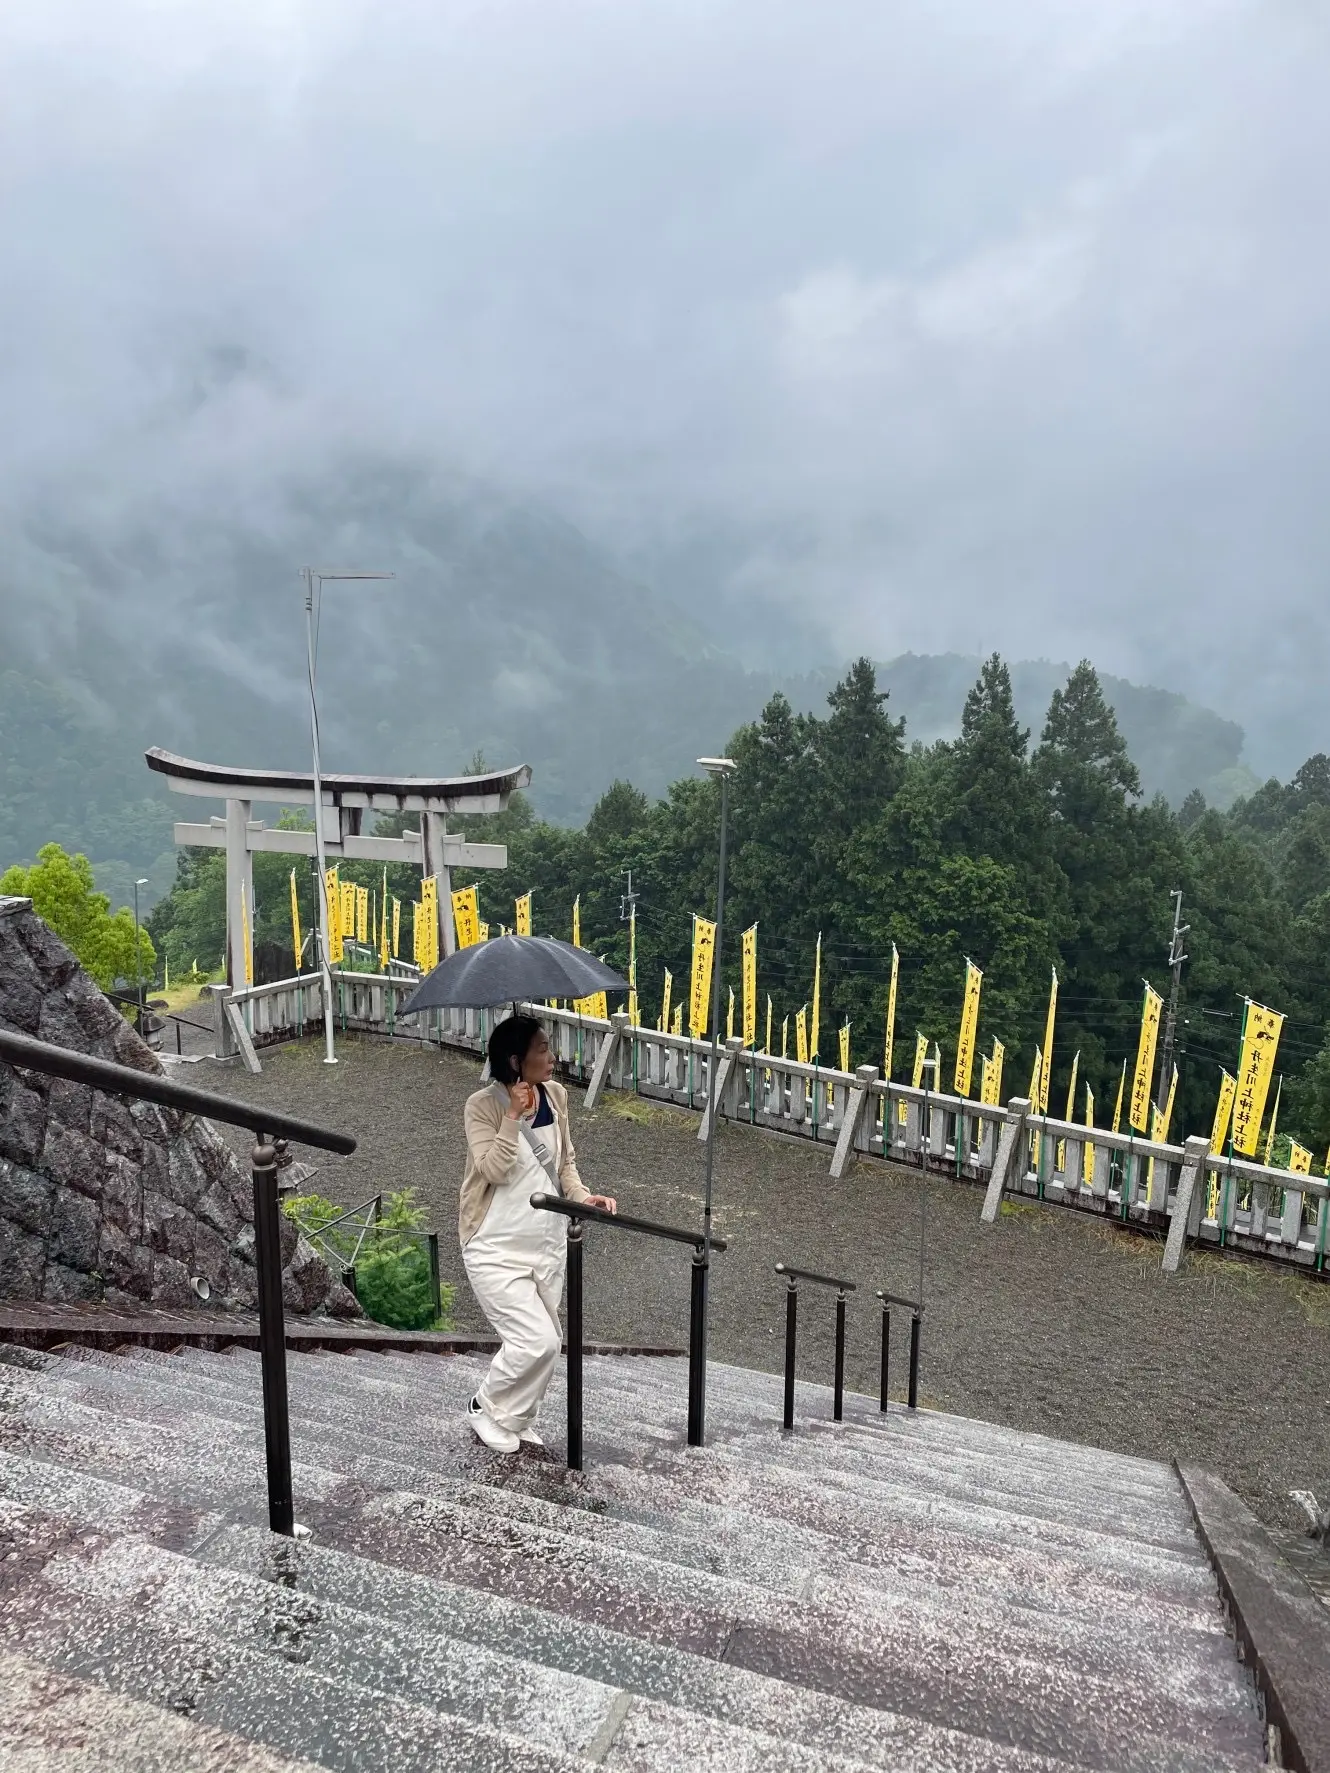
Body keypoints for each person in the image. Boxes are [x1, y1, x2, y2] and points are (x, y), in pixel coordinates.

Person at [460, 1014, 617, 1453]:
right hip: (494, 1246)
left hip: (546, 1243)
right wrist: (512, 1114)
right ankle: (483, 1405)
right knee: (536, 1341)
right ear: (516, 1059)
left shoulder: (557, 1096)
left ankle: (516, 1418)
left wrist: (583, 1197)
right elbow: (493, 1168)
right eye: (543, 1049)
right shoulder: (482, 1106)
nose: (553, 1056)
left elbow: (563, 1163)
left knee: (550, 1345)